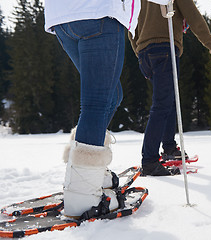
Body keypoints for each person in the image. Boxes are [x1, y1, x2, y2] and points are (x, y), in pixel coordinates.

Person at [44, 0, 141, 218]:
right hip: (99, 14)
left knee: (112, 95)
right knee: (96, 102)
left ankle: (82, 171)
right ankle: (82, 195)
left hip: (62, 19)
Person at [129, 0, 211, 176]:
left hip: (145, 52)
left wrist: (140, 53)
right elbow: (193, 16)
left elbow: (131, 23)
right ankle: (149, 160)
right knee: (162, 105)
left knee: (169, 101)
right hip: (164, 46)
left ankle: (169, 148)